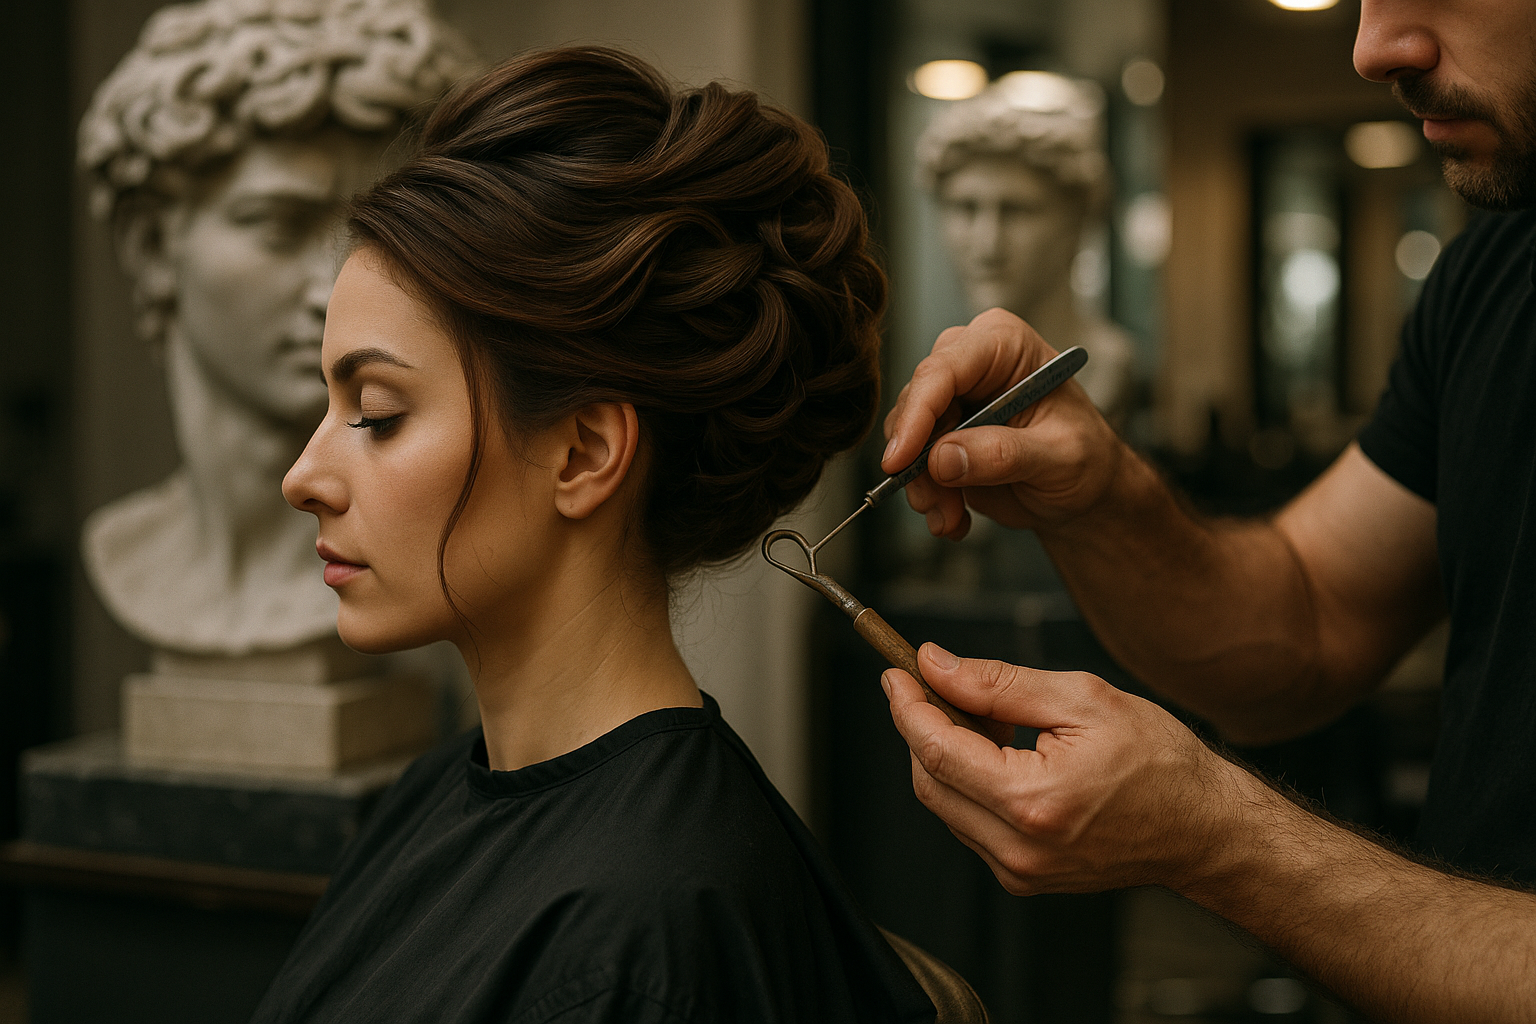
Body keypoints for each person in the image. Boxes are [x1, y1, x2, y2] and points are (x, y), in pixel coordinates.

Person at [877, 1, 1536, 1021]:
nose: (1374, 47)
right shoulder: (1500, 267)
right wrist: (1098, 497)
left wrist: (1219, 838)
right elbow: (1309, 618)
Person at [257, 47, 936, 1024]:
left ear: (582, 453)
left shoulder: (649, 933)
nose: (303, 477)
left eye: (377, 412)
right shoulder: (433, 794)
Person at [77, 0, 472, 656]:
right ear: (151, 247)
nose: (333, 289)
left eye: (373, 237)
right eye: (279, 226)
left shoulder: (425, 557)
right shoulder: (129, 552)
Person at [916, 71, 1133, 423]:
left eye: (1016, 210)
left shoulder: (1106, 365)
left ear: (1078, 219)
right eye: (965, 208)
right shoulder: (948, 369)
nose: (987, 244)